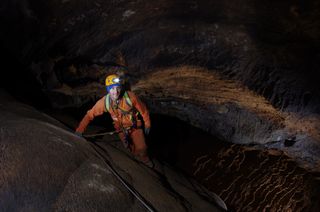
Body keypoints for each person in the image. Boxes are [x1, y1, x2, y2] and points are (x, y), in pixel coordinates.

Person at [75, 74, 153, 167]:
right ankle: (135, 154)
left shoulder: (130, 97)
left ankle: (144, 159)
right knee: (127, 145)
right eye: (112, 89)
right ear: (108, 89)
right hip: (120, 129)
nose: (115, 92)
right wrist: (80, 130)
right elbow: (90, 115)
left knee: (142, 147)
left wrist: (147, 124)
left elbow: (143, 110)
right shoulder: (105, 102)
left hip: (134, 126)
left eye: (117, 88)